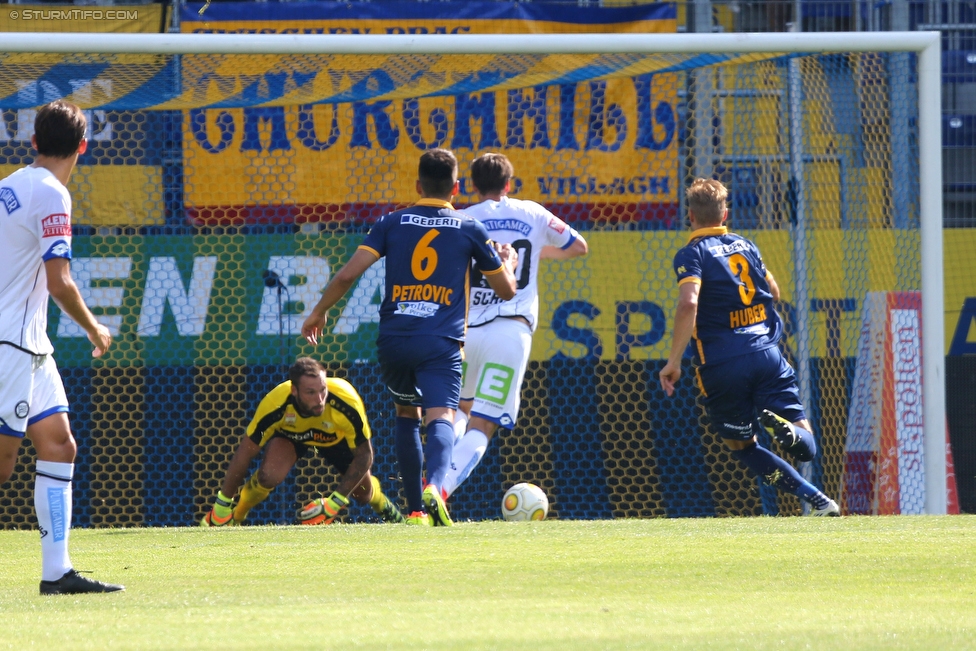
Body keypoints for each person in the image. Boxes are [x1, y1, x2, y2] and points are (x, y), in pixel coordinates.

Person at [301, 148, 519, 526]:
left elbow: (346, 276)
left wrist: (319, 312)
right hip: (440, 342)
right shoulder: (469, 227)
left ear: (418, 185)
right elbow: (506, 291)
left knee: (406, 414)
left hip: (395, 339)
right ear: (456, 188)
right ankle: (435, 486)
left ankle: (417, 510)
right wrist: (509, 263)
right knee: (443, 415)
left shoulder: (391, 222)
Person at [0, 100, 124, 595]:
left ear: (33, 142)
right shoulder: (53, 193)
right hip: (10, 341)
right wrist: (95, 329)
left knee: (59, 445)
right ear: (83, 146)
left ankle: (57, 572)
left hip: (30, 342)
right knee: (3, 464)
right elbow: (60, 282)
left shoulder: (9, 184)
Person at [659, 178, 839, 516]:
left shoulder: (691, 254)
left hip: (722, 365)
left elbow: (688, 303)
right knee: (806, 444)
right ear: (725, 212)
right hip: (766, 354)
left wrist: (674, 362)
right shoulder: (745, 245)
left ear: (691, 216)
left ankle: (814, 499)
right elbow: (774, 289)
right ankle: (804, 465)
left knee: (743, 447)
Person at [442, 153, 588, 499]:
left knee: (459, 410)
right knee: (484, 423)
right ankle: (440, 487)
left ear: (472, 186)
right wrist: (536, 252)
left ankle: (433, 470)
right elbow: (579, 246)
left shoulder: (461, 218)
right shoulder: (532, 212)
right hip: (509, 332)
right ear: (508, 184)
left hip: (467, 333)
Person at [200, 357, 404, 527]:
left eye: (322, 390)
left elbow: (365, 454)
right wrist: (222, 504)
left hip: (336, 439)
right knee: (268, 476)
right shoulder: (275, 403)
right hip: (291, 436)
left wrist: (335, 502)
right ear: (294, 391)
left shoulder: (345, 399)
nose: (320, 399)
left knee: (363, 494)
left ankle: (386, 508)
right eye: (310, 393)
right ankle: (236, 517)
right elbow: (246, 450)